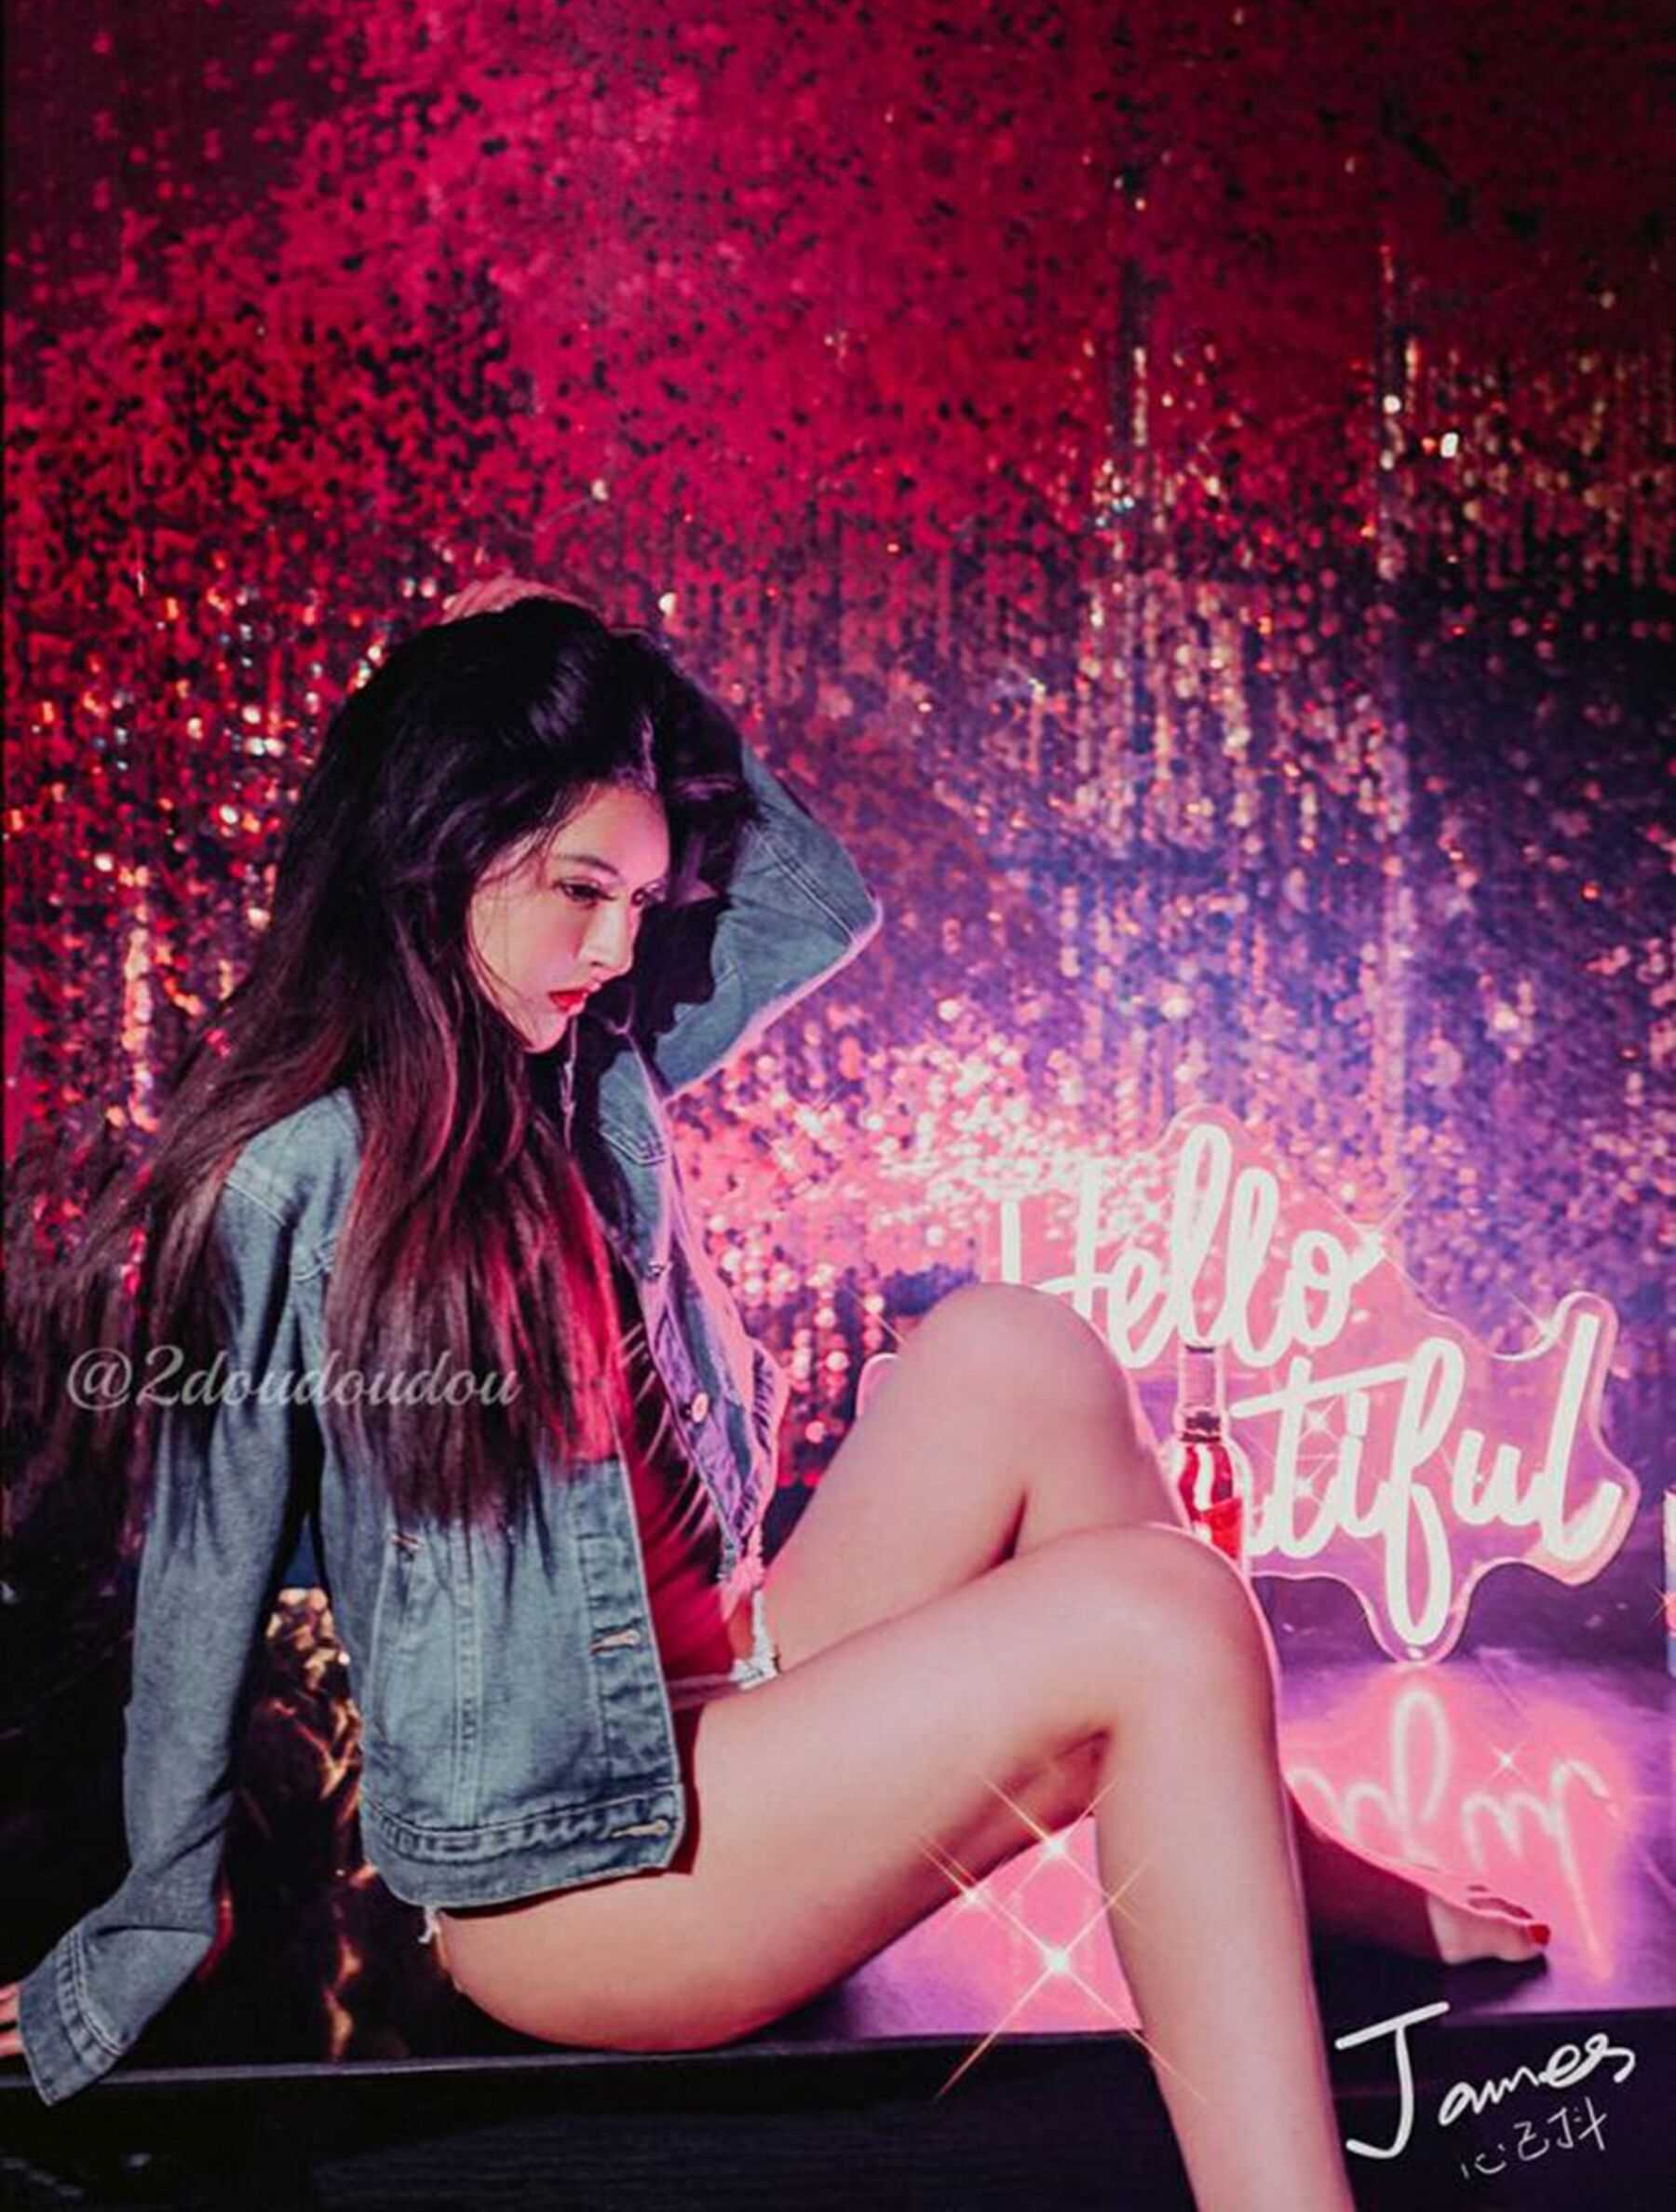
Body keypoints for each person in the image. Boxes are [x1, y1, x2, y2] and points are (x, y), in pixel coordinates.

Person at [0, 576, 1547, 2212]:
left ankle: (1288, 1871)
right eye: (579, 889)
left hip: (721, 1698)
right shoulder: (291, 1181)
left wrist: (603, 659)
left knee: (1017, 1347)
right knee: (1163, 1612)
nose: (618, 945)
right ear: (439, 845)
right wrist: (153, 1921)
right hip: (581, 1881)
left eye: (639, 898)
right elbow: (202, 1578)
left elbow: (812, 893)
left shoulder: (578, 1070)